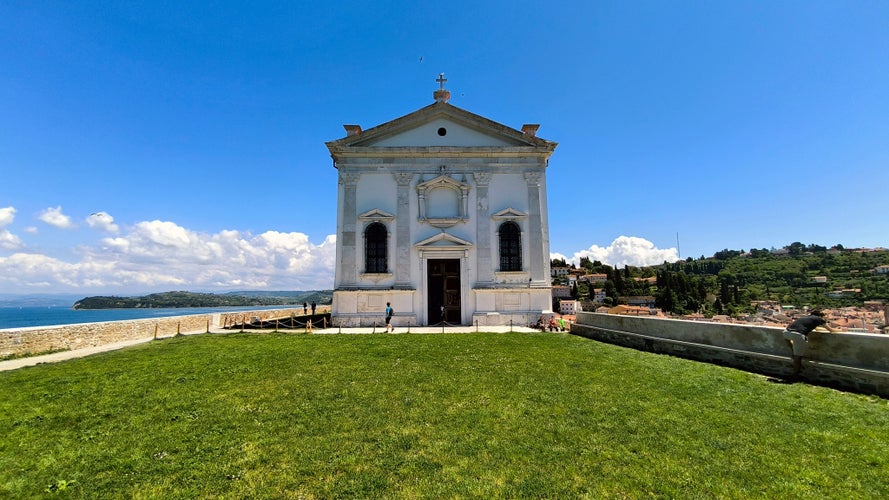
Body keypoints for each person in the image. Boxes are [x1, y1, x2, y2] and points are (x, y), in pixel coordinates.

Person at [782, 309, 835, 376]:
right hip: (798, 335)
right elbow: (831, 330)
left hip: (786, 333)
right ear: (821, 316)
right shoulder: (819, 319)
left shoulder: (806, 317)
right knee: (798, 357)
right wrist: (842, 330)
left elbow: (817, 329)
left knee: (788, 340)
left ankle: (793, 351)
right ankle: (795, 373)